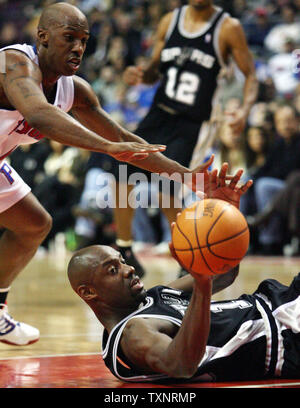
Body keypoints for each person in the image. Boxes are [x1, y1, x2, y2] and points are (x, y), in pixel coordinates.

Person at [0, 2, 215, 346]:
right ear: (42, 36)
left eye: (83, 40)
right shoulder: (11, 62)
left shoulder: (75, 90)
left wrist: (185, 175)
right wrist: (105, 146)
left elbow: (125, 140)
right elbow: (39, 115)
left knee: (33, 224)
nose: (78, 48)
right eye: (69, 38)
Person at [67, 165, 300, 384]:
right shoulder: (132, 334)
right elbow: (181, 366)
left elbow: (226, 273)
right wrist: (201, 282)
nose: (129, 269)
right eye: (113, 270)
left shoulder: (155, 297)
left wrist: (227, 215)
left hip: (281, 304)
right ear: (89, 292)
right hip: (285, 336)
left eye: (122, 261)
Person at [111, 0, 258, 276]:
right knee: (121, 167)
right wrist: (140, 74)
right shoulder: (170, 21)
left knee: (169, 185)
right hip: (159, 112)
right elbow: (155, 69)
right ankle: (125, 247)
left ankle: (189, 254)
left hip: (194, 121)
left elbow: (251, 75)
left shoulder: (227, 27)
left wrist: (244, 110)